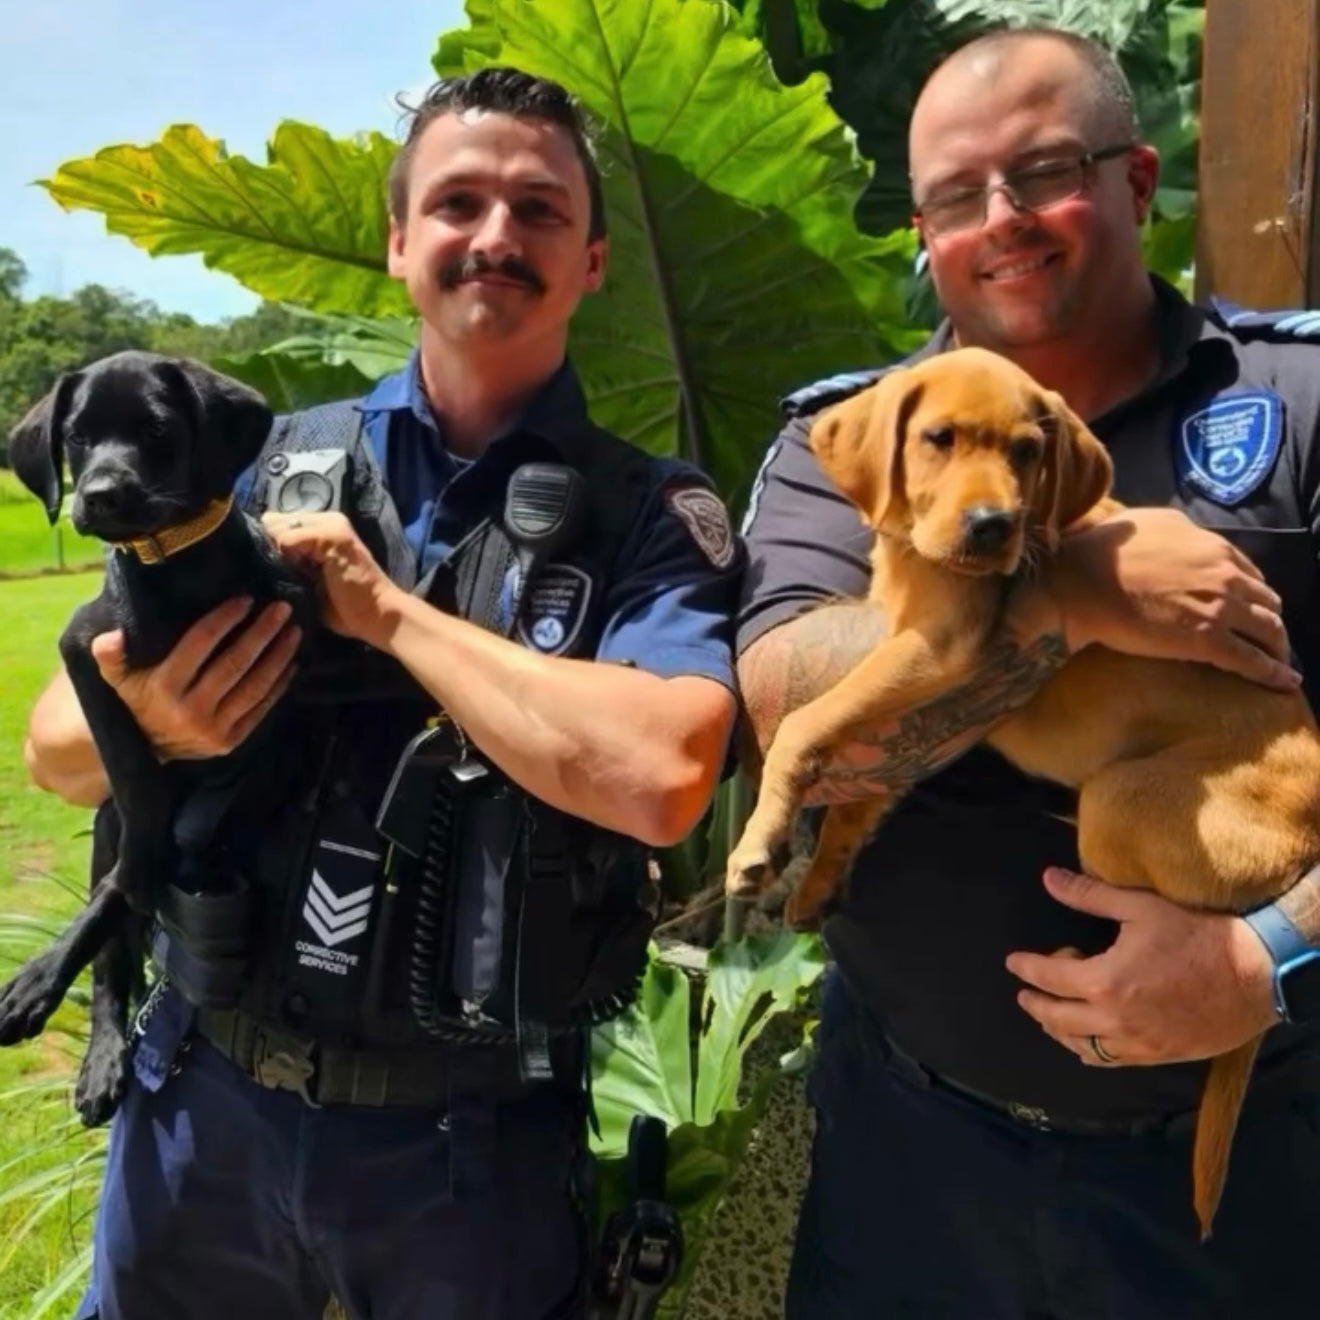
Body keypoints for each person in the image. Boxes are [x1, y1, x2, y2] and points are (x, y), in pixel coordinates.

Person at [24, 67, 741, 1320]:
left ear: (594, 262)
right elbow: (53, 748)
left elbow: (664, 777)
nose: (497, 235)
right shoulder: (263, 464)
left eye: (540, 208)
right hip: (207, 1107)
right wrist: (155, 719)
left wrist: (392, 619)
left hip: (469, 1151)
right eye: (458, 202)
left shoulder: (649, 515)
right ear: (401, 242)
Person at [737, 26, 1320, 1320]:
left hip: (1234, 1181)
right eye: (953, 196)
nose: (999, 221)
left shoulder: (1297, 400)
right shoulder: (859, 431)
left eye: (1045, 170)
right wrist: (1079, 592)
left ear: (1134, 177)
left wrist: (1272, 958)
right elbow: (793, 705)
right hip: (910, 1159)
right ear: (924, 232)